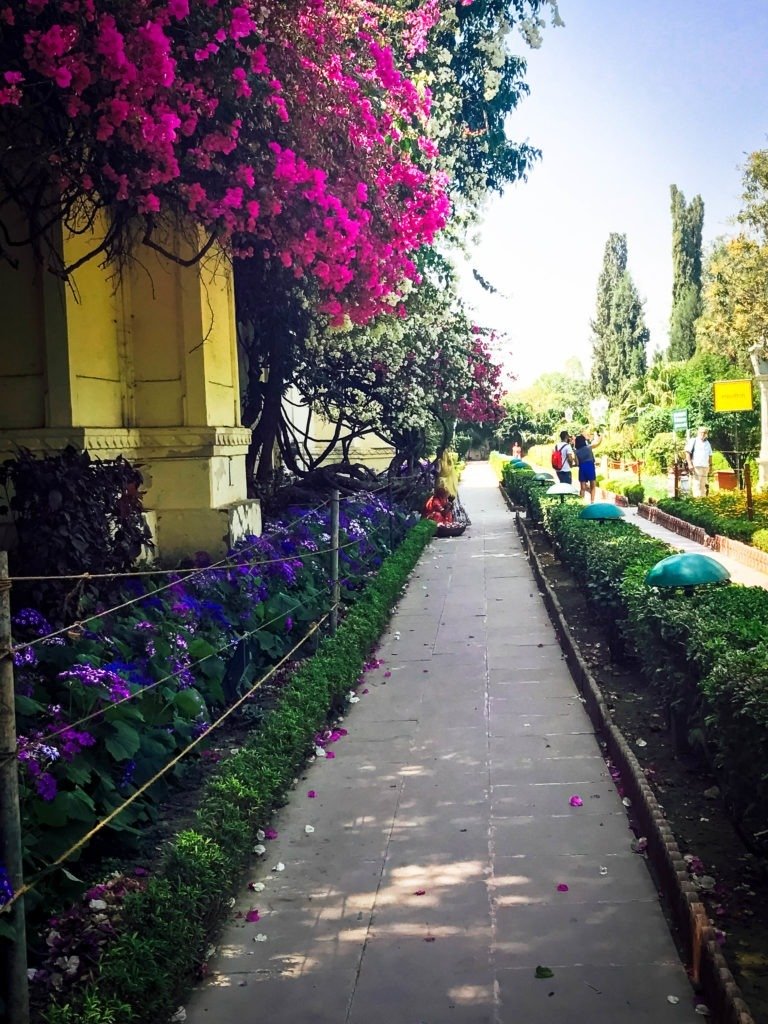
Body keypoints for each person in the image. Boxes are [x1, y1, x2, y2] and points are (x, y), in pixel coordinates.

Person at [685, 425, 713, 498]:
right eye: (701, 432)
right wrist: (690, 464)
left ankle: (702, 501)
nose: (703, 434)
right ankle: (697, 500)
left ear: (707, 434)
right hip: (696, 466)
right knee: (696, 484)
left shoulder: (708, 443)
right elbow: (687, 453)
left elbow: (710, 456)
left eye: (704, 433)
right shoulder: (693, 441)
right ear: (698, 433)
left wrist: (711, 466)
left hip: (705, 466)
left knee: (703, 484)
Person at [574, 430, 601, 502]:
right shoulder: (589, 447)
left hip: (582, 468)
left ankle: (581, 502)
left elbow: (577, 463)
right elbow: (597, 444)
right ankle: (592, 501)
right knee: (593, 486)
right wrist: (601, 438)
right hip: (590, 467)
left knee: (582, 487)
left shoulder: (576, 451)